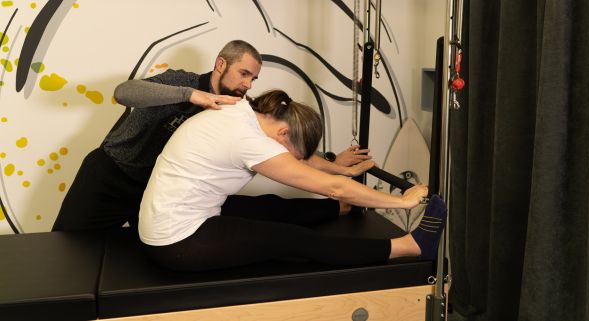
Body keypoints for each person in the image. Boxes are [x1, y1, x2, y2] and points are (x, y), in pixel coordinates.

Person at [52, 40, 371, 231]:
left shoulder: (240, 109)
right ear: (221, 64)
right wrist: (193, 96)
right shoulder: (182, 81)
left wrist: (335, 165)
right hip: (109, 177)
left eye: (254, 78)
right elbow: (124, 92)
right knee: (66, 253)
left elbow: (282, 147)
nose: (248, 84)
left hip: (157, 192)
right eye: (244, 73)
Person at [138, 89, 447, 271]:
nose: (293, 159)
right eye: (293, 152)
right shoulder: (249, 140)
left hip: (169, 219)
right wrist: (402, 201)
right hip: (177, 242)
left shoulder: (245, 111)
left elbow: (299, 161)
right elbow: (329, 186)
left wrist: (340, 169)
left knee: (270, 206)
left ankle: (339, 210)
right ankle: (409, 247)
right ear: (284, 133)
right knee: (293, 239)